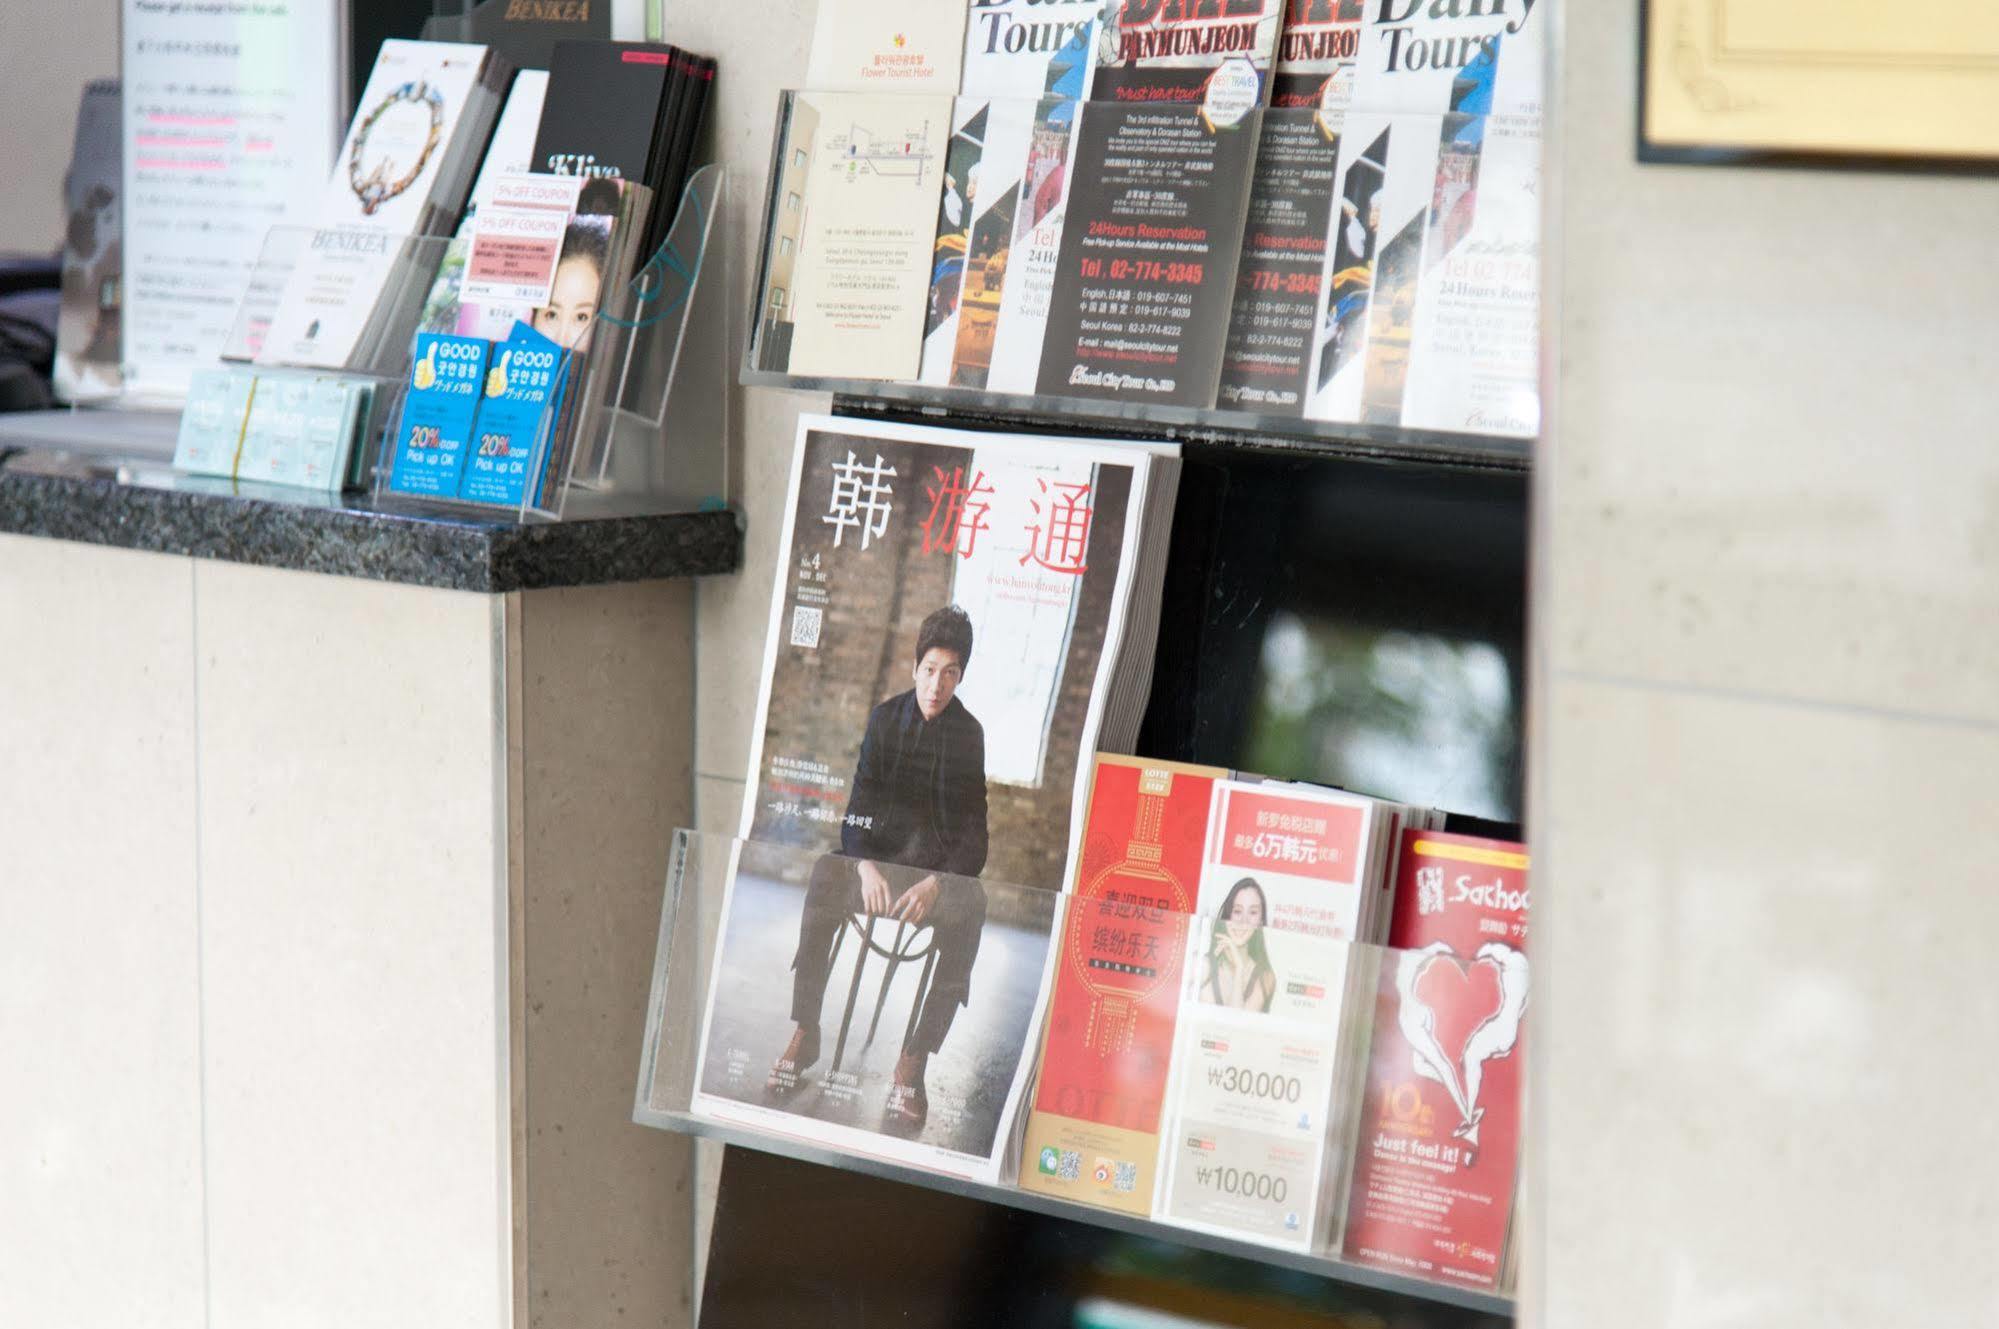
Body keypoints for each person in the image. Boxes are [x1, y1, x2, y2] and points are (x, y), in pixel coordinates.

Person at [770, 606, 990, 1136]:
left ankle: (914, 1059)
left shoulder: (970, 734)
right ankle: (806, 1031)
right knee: (827, 872)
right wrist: (864, 866)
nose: (938, 684)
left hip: (931, 880)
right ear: (916, 667)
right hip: (880, 866)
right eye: (931, 669)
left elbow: (975, 835)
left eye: (951, 673)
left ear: (962, 677)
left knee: (974, 904)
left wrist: (939, 883)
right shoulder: (884, 719)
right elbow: (857, 808)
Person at [1200, 878, 1276, 1013]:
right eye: (1237, 911)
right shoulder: (1203, 965)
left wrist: (1239, 969)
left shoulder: (1265, 977)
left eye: (1253, 912)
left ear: (1261, 921)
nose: (1243, 921)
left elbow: (1236, 1028)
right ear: (1227, 915)